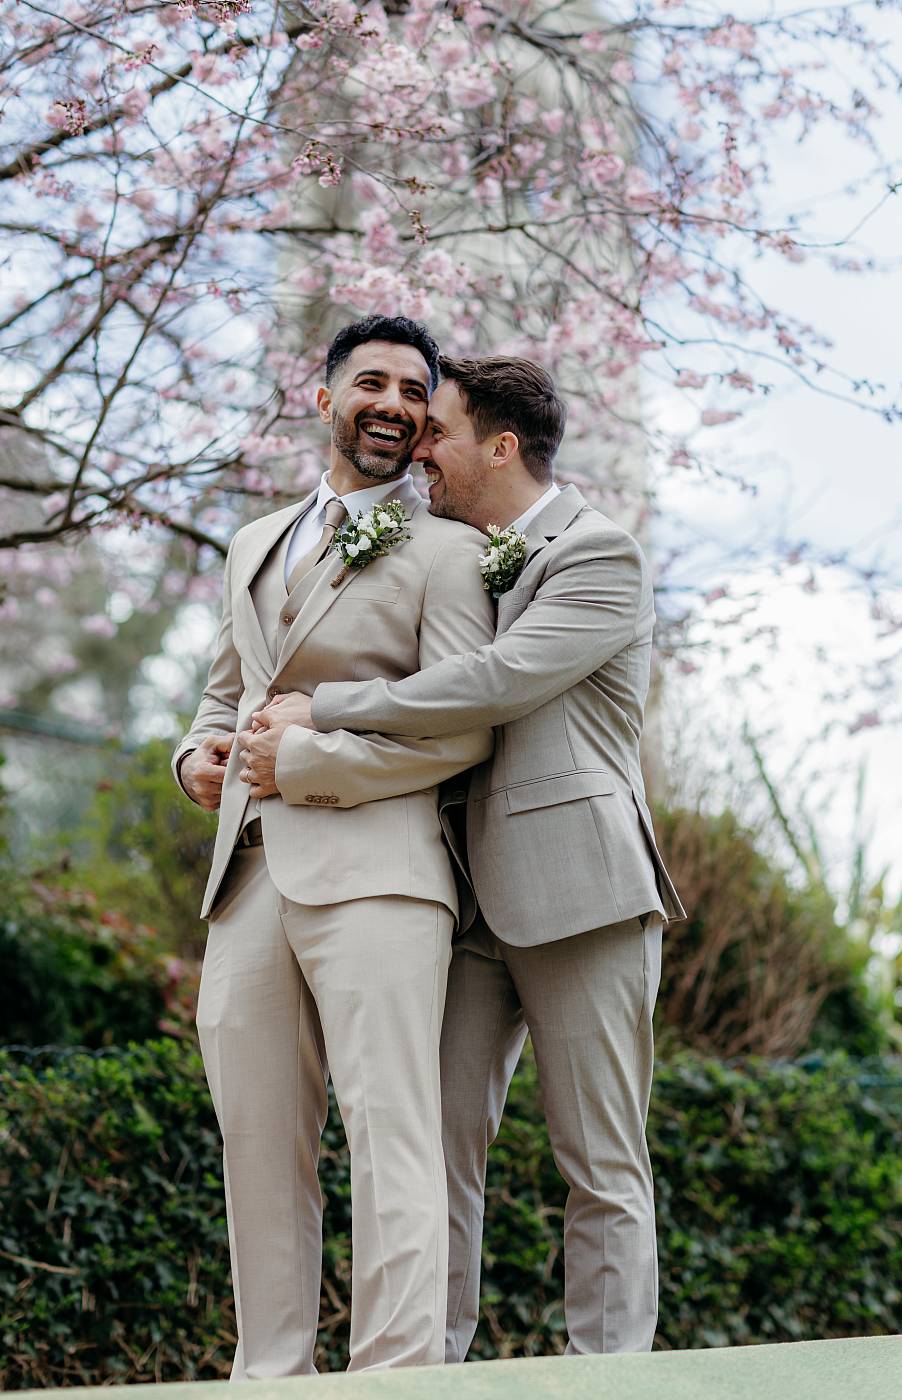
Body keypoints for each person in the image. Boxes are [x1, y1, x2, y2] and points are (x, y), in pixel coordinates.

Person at [264, 355, 686, 1358]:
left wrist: (324, 707)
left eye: (439, 432)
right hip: (464, 903)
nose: (420, 450)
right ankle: (431, 1371)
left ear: (498, 445)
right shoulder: (460, 551)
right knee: (439, 1153)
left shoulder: (600, 554)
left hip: (582, 893)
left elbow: (495, 681)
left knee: (599, 1161)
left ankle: (608, 1379)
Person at [172, 316, 495, 1376]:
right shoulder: (252, 542)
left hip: (381, 875)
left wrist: (308, 761)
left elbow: (457, 726)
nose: (394, 403)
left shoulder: (450, 552)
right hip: (247, 876)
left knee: (390, 1134)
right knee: (257, 1146)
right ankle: (269, 1376)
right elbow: (223, 698)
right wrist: (196, 761)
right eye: (373, 381)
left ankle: (394, 1378)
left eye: (414, 389)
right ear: (326, 399)